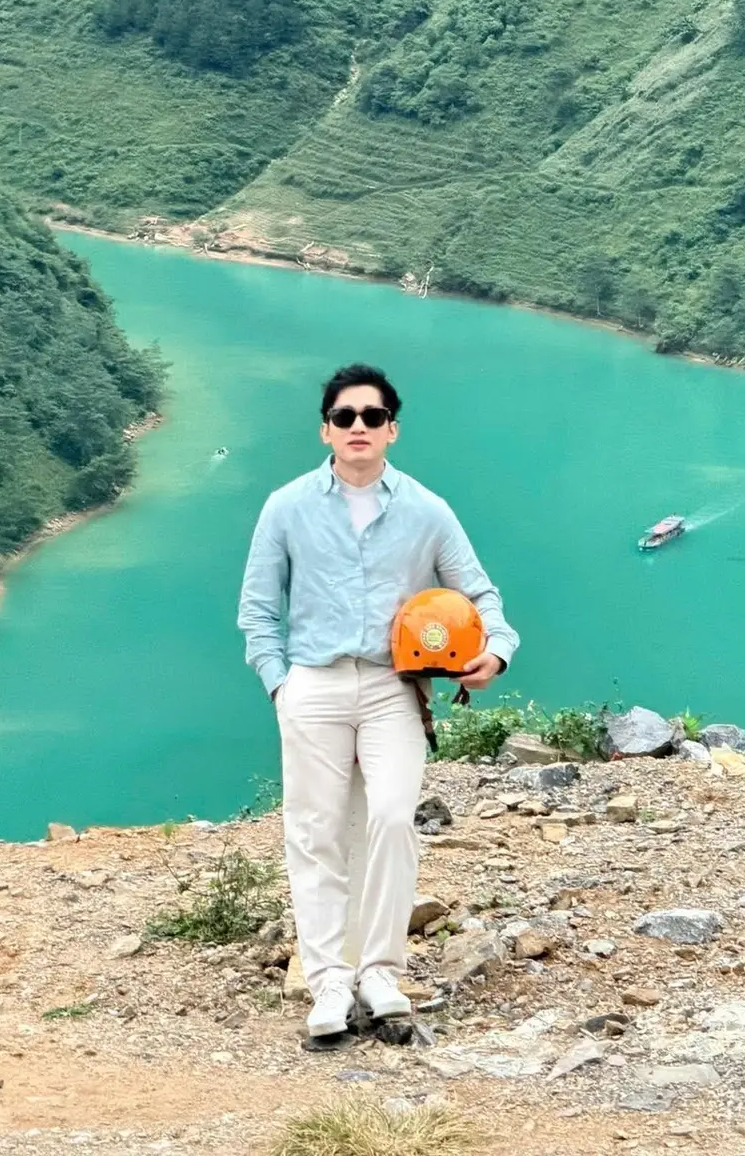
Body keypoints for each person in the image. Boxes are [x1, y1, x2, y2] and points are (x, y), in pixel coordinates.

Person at [238, 362, 518, 1038]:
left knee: (392, 818)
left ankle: (380, 973)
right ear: (326, 430)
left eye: (372, 416)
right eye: (344, 417)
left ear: (392, 429)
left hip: (396, 686)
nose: (357, 426)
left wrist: (497, 651)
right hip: (314, 683)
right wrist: (280, 685)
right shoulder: (286, 507)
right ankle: (329, 983)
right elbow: (257, 609)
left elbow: (481, 596)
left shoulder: (427, 510)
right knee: (316, 831)